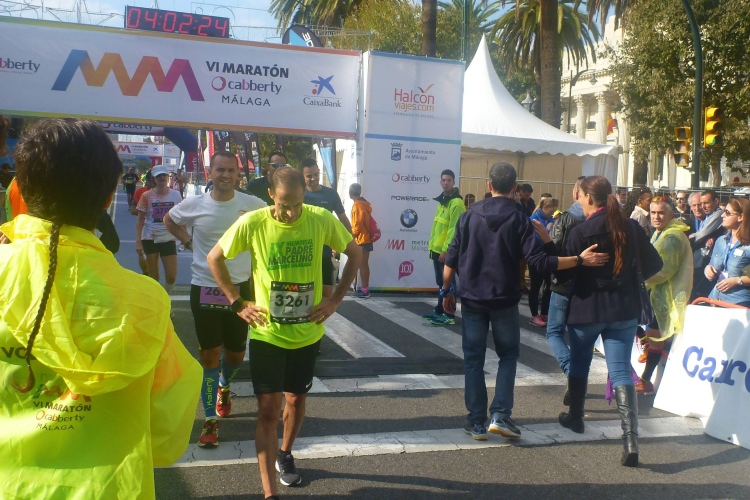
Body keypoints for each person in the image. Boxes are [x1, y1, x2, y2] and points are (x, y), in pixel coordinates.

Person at [0, 118, 201, 497]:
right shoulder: (146, 300)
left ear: (20, 188)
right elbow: (167, 431)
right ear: (109, 198)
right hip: (110, 487)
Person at [207, 167, 362, 499]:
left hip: (307, 333)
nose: (290, 213)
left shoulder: (321, 218)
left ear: (305, 195)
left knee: (296, 399)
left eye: (296, 205)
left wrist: (335, 300)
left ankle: (286, 452)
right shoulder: (254, 222)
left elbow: (355, 253)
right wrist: (237, 302)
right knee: (267, 409)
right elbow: (214, 257)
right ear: (270, 196)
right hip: (267, 334)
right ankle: (269, 493)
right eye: (283, 205)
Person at [442, 163, 609, 441]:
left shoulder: (468, 216)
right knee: (508, 355)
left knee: (473, 359)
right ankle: (500, 414)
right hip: (505, 297)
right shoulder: (520, 219)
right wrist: (578, 259)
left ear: (489, 185)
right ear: (515, 188)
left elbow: (452, 257)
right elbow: (539, 262)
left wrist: (446, 290)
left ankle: (476, 421)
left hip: (472, 298)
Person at [164, 151, 265, 448]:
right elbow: (169, 219)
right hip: (205, 287)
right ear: (210, 172)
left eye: (231, 170)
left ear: (238, 174)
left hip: (240, 290)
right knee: (209, 355)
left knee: (235, 356)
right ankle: (209, 420)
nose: (226, 175)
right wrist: (187, 241)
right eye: (220, 169)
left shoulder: (252, 204)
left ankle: (224, 384)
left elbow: (273, 222)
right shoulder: (195, 204)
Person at [561, 176, 662, 467]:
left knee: (580, 364)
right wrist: (628, 280)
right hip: (623, 309)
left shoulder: (581, 231)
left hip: (587, 308)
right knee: (620, 371)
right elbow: (655, 263)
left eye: (580, 196)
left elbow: (564, 273)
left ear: (588, 198)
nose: (579, 200)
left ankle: (576, 417)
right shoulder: (631, 227)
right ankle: (631, 439)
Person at [637, 197, 693, 394]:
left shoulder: (672, 237)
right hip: (655, 294)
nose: (656, 217)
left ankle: (646, 380)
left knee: (656, 338)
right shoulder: (660, 232)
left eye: (661, 213)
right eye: (653, 213)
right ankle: (646, 373)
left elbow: (664, 271)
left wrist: (640, 281)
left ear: (671, 214)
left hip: (665, 296)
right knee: (652, 336)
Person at [545, 176, 587, 391]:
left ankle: (572, 372)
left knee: (554, 332)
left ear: (576, 193)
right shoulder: (598, 220)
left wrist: (545, 237)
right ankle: (577, 377)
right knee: (579, 335)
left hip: (563, 282)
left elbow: (553, 251)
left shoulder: (565, 219)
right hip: (586, 284)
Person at [301, 158, 353, 298]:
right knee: (304, 294)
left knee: (326, 295)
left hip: (324, 252)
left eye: (316, 174)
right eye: (309, 176)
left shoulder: (331, 194)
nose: (313, 178)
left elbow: (343, 218)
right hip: (303, 253)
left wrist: (351, 239)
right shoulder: (299, 195)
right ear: (302, 176)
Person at [422, 169, 465, 326]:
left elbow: (454, 229)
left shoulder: (456, 203)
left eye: (449, 180)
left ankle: (449, 315)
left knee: (449, 284)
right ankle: (440, 310)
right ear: (440, 182)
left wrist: (446, 250)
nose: (445, 183)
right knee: (441, 282)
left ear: (454, 182)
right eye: (443, 180)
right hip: (437, 249)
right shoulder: (443, 200)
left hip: (446, 251)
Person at [135, 165, 183, 296]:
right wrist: (138, 242)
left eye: (164, 175)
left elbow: (180, 217)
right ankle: (157, 301)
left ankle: (164, 297)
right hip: (150, 237)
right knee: (154, 277)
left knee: (171, 277)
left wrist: (184, 238)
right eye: (158, 176)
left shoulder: (175, 195)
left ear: (167, 177)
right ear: (154, 179)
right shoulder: (146, 196)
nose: (162, 178)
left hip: (168, 237)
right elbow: (140, 220)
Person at [704, 198, 750, 307]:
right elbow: (712, 264)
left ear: (741, 217)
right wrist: (708, 269)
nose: (722, 215)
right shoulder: (721, 241)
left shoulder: (748, 246)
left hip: (739, 303)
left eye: (727, 212)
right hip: (715, 299)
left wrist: (737, 281)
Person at [528, 197, 559, 327]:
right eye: (550, 211)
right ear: (545, 208)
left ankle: (544, 312)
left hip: (548, 255)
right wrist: (546, 230)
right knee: (536, 285)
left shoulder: (550, 219)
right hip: (536, 255)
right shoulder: (533, 219)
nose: (552, 214)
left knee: (549, 284)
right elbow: (532, 239)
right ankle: (534, 315)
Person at [689, 189, 725, 300]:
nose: (703, 207)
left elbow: (702, 234)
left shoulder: (718, 214)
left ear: (716, 202)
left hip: (709, 260)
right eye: (701, 203)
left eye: (706, 203)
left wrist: (690, 238)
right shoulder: (708, 215)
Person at [349, 182, 373, 298]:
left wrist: (352, 235)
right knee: (363, 264)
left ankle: (364, 291)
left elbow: (357, 224)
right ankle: (364, 289)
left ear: (350, 193)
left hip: (361, 239)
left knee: (362, 265)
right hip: (366, 238)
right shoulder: (364, 204)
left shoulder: (357, 205)